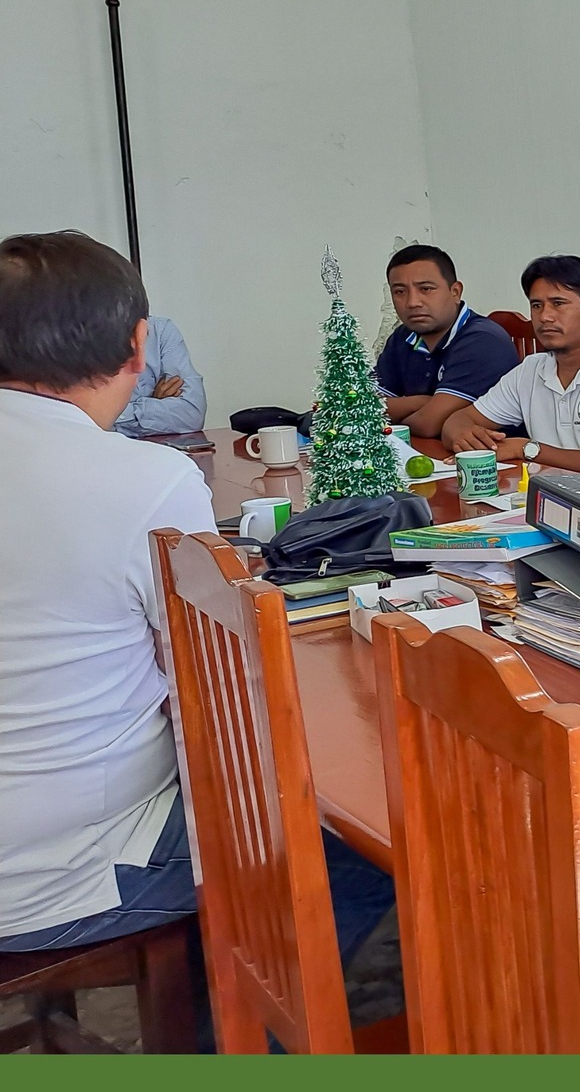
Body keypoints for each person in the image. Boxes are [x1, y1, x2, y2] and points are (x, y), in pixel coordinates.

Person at [0, 231, 390, 960]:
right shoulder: (142, 480)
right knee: (365, 837)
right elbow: (213, 680)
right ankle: (244, 1019)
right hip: (62, 867)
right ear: (137, 344)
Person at [442, 255, 580, 474]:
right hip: (544, 491)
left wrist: (526, 448)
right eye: (536, 305)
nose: (545, 316)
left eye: (558, 304)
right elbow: (457, 421)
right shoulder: (531, 370)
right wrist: (467, 438)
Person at [373, 243, 520, 440]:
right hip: (422, 451)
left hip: (489, 455)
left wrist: (394, 413)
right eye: (400, 291)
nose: (412, 302)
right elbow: (363, 407)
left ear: (455, 292)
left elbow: (428, 425)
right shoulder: (403, 336)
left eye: (426, 289)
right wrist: (419, 402)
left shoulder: (483, 340)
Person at [111, 313, 207, 438]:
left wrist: (113, 416)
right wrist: (155, 406)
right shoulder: (86, 337)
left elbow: (192, 415)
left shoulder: (160, 330)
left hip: (155, 447)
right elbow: (88, 423)